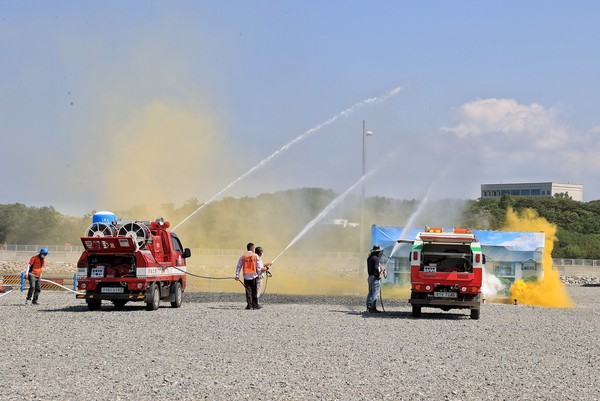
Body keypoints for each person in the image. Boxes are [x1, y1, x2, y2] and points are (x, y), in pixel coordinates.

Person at [235, 242, 261, 310]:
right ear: (251, 248)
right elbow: (258, 266)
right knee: (254, 291)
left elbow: (239, 266)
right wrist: (259, 274)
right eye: (254, 247)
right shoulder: (255, 255)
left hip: (246, 276)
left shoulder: (243, 256)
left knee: (248, 291)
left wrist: (237, 275)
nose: (254, 249)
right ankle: (255, 305)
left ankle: (249, 305)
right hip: (253, 276)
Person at [366, 245, 385, 313]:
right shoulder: (376, 258)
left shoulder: (369, 258)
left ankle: (368, 307)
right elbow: (376, 268)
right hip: (375, 277)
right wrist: (378, 275)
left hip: (370, 276)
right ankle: (373, 308)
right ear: (378, 252)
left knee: (370, 292)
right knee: (375, 293)